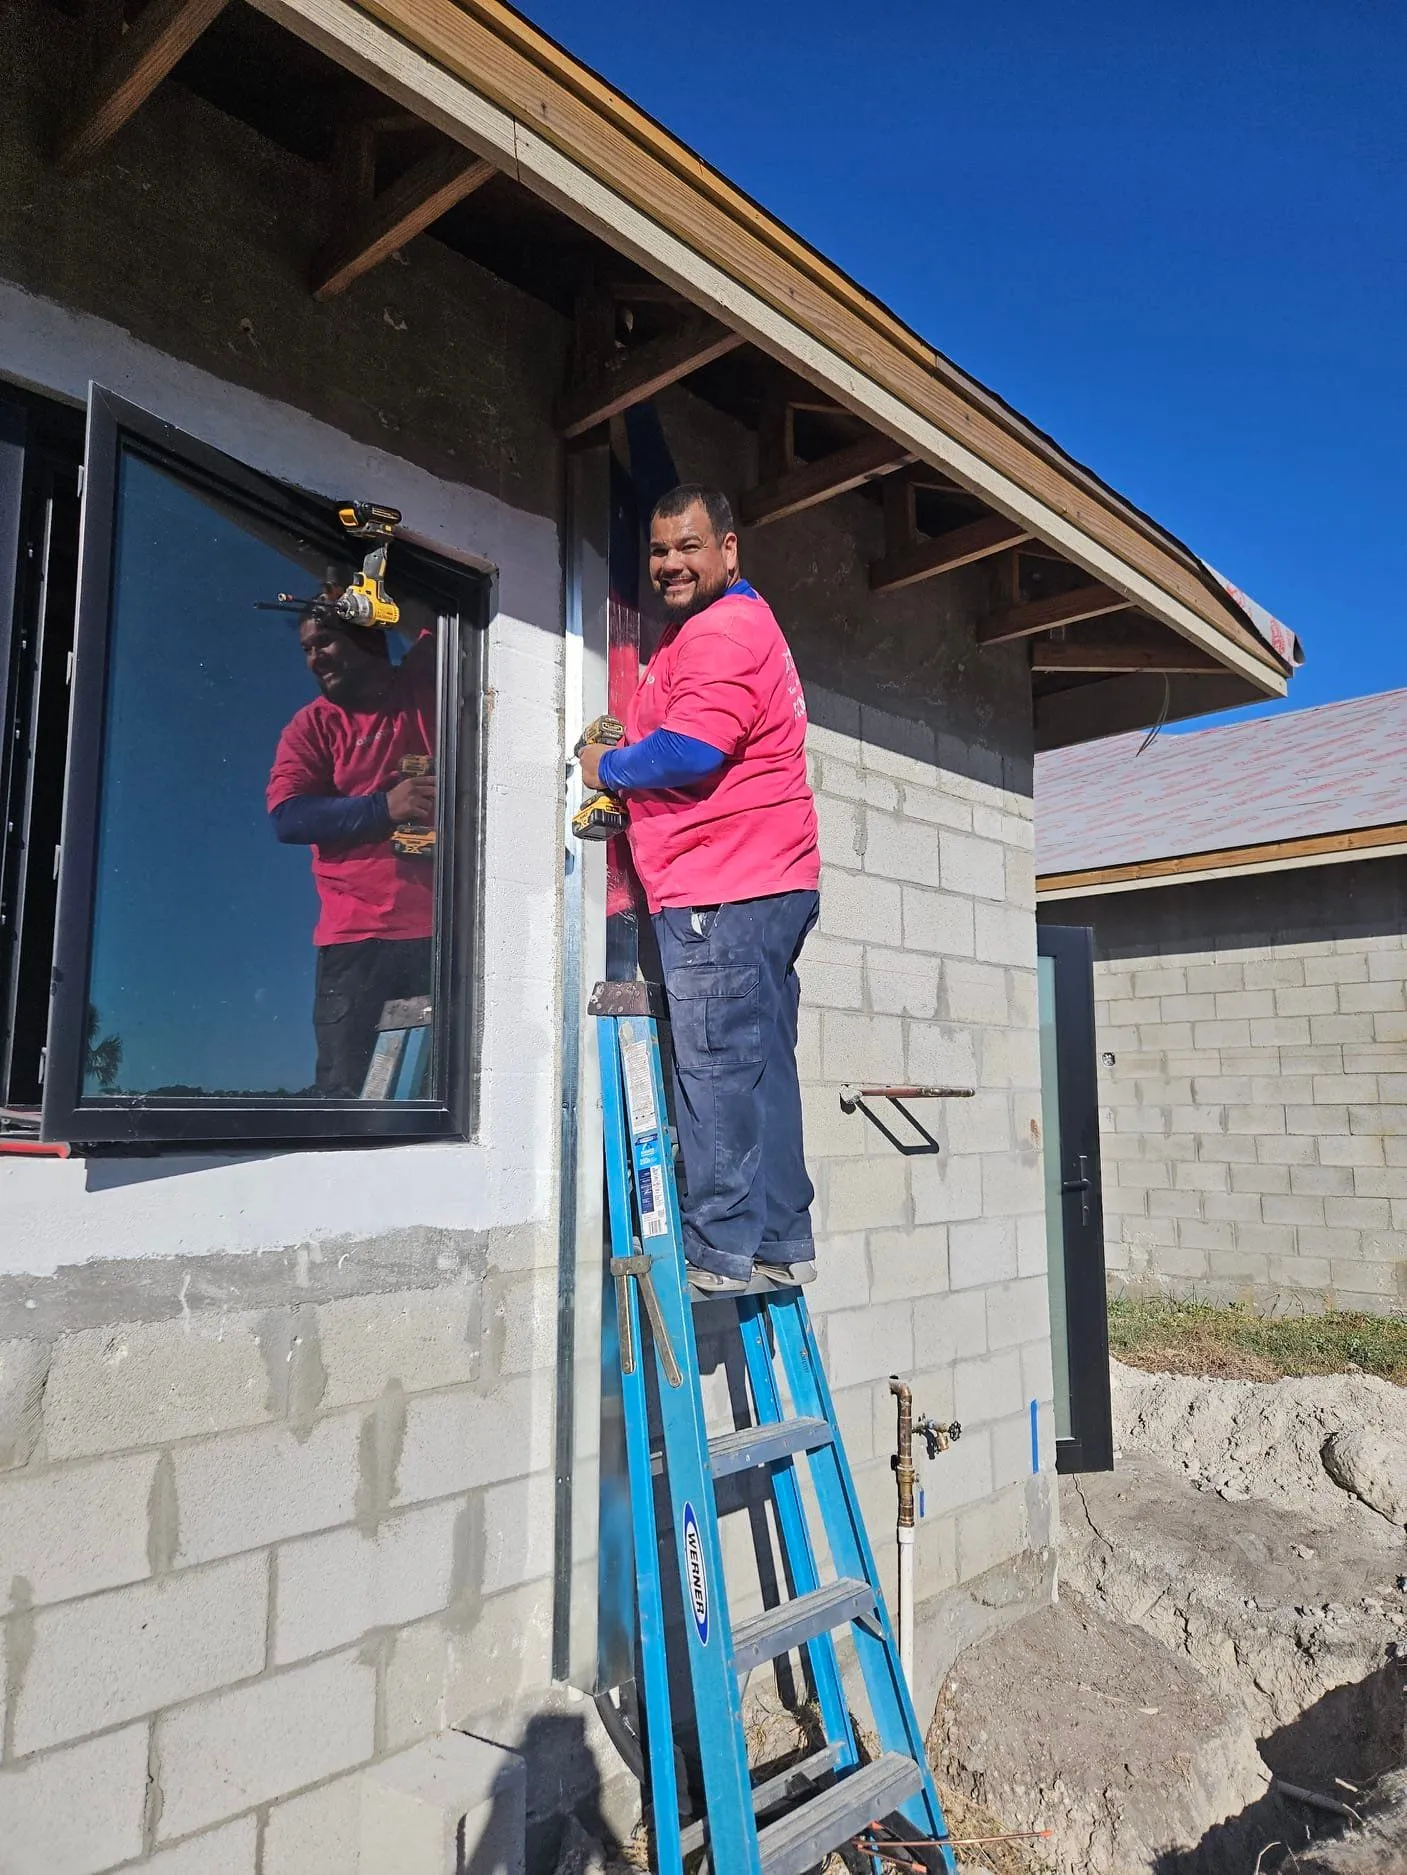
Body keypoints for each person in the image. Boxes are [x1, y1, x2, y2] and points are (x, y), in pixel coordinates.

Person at [579, 485, 821, 1294]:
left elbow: (692, 748)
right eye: (657, 550)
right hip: (766, 878)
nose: (669, 563)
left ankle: (718, 1252)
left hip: (724, 882)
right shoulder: (736, 626)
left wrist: (607, 767)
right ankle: (781, 1239)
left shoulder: (720, 630)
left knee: (716, 1070)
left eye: (688, 546)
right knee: (760, 1072)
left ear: (728, 549)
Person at [267, 604, 436, 1096]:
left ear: (368, 638)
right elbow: (288, 817)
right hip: (355, 941)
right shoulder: (312, 726)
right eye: (306, 649)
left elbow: (440, 595)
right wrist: (384, 807)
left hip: (442, 935)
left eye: (325, 641)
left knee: (440, 1094)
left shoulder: (423, 681)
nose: (314, 657)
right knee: (342, 1096)